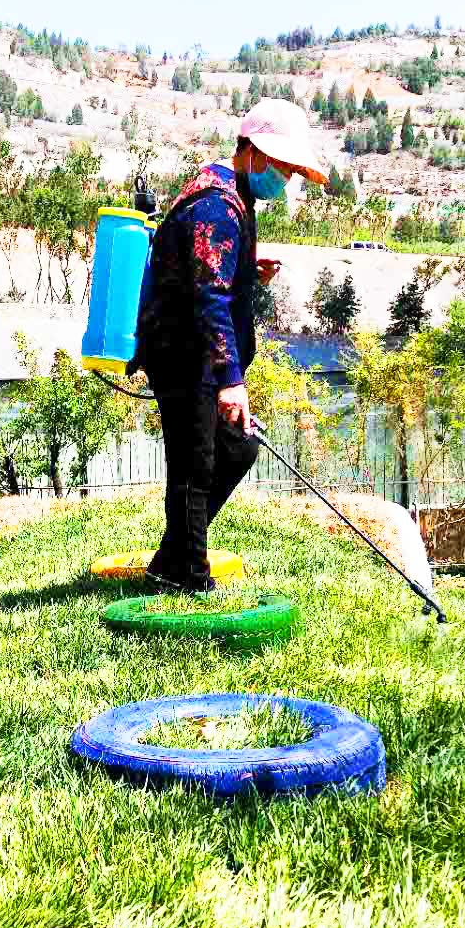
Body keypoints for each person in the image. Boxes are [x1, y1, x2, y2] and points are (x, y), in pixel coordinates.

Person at [128, 98, 328, 592]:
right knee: (194, 464)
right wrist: (230, 381)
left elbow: (206, 274)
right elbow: (209, 298)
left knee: (236, 447)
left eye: (291, 170)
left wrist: (247, 271)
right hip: (183, 352)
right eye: (282, 166)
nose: (285, 177)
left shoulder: (233, 194)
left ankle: (171, 561)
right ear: (252, 151)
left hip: (197, 350)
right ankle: (189, 578)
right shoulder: (217, 204)